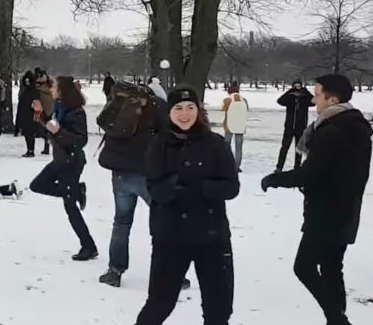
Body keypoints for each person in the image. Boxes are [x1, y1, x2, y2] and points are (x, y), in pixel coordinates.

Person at [261, 74, 372, 325]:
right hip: (346, 208)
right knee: (332, 268)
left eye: (318, 94)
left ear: (333, 99)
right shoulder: (354, 125)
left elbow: (311, 173)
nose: (314, 99)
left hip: (327, 212)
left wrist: (276, 179)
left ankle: (337, 319)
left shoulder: (332, 131)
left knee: (305, 268)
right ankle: (336, 319)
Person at [134, 87, 238, 325]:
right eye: (178, 108)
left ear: (198, 111)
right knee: (159, 305)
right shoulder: (157, 145)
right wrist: (176, 185)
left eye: (190, 107)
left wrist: (202, 186)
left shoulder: (216, 144)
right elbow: (155, 190)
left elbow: (232, 187)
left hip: (212, 237)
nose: (184, 114)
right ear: (169, 112)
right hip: (171, 237)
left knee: (219, 309)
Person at [96, 81, 162, 288]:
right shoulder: (156, 106)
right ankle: (169, 272)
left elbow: (104, 125)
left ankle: (115, 270)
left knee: (121, 223)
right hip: (148, 173)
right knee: (162, 224)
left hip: (121, 175)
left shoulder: (117, 105)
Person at [29, 76, 96, 261]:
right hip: (60, 159)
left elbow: (80, 140)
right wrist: (40, 114)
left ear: (62, 90)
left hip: (71, 162)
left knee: (70, 207)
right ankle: (76, 192)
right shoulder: (59, 107)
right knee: (37, 185)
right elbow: (51, 129)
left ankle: (88, 246)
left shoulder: (75, 112)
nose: (51, 89)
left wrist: (59, 132)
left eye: (54, 86)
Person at [275, 80, 314, 172]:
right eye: (295, 86)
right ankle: (279, 167)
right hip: (289, 126)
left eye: (299, 86)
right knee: (284, 147)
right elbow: (280, 101)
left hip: (301, 127)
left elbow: (314, 101)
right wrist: (289, 91)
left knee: (298, 148)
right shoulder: (289, 97)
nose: (297, 88)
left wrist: (305, 92)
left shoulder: (305, 98)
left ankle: (297, 167)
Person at [221, 82, 249, 171]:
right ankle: (237, 166)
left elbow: (222, 108)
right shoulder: (244, 100)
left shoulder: (228, 100)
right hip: (241, 126)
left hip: (229, 125)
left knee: (226, 146)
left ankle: (225, 164)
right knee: (239, 147)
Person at [16, 71, 39, 157]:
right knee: (27, 133)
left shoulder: (34, 91)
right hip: (24, 113)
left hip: (31, 114)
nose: (27, 83)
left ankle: (31, 150)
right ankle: (29, 149)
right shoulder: (24, 90)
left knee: (30, 133)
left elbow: (37, 102)